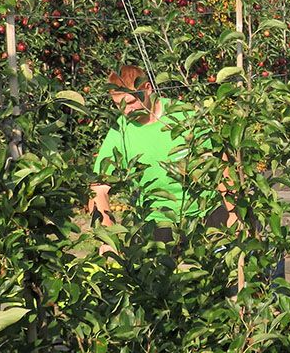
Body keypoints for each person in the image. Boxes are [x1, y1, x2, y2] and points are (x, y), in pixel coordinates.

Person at [88, 65, 232, 245]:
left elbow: (219, 162)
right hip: (155, 224)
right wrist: (108, 239)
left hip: (205, 216)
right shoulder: (120, 131)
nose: (127, 110)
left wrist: (234, 213)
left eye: (131, 102)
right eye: (119, 105)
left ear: (148, 88)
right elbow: (98, 186)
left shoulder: (184, 114)